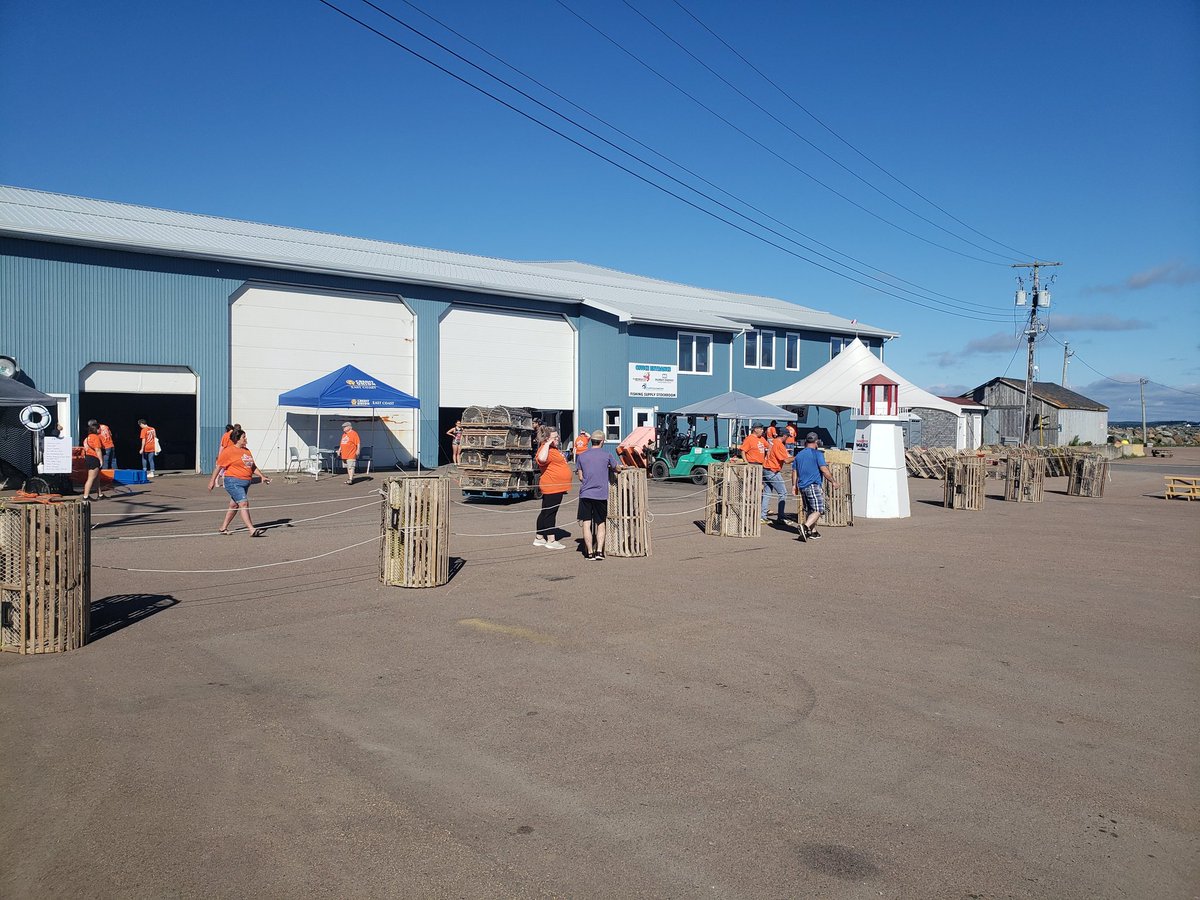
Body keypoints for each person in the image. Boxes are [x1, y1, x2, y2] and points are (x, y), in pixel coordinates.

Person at [208, 427, 270, 537]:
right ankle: (251, 529)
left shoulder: (246, 451)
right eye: (243, 437)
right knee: (244, 503)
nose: (246, 439)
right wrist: (212, 481)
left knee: (234, 505)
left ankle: (223, 528)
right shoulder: (228, 451)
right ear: (237, 439)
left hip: (245, 482)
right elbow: (219, 467)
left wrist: (262, 476)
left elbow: (252, 466)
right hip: (232, 481)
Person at [575, 428, 621, 560]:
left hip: (586, 494)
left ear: (591, 442)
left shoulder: (582, 456)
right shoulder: (607, 455)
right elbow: (616, 468)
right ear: (602, 441)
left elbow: (580, 477)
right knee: (600, 523)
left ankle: (589, 552)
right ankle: (600, 551)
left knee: (586, 523)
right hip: (600, 494)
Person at [793, 431, 838, 542]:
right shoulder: (817, 454)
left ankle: (813, 532)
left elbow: (794, 471)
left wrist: (794, 485)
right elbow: (824, 470)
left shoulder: (799, 455)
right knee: (818, 509)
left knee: (810, 510)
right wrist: (833, 481)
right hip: (812, 485)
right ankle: (805, 526)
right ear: (816, 442)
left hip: (802, 485)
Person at [533, 426, 571, 549]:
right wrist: (548, 443)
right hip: (552, 486)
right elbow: (541, 459)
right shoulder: (544, 448)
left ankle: (539, 537)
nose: (558, 438)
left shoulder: (553, 449)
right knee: (550, 513)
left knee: (546, 511)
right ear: (548, 439)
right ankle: (551, 539)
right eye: (555, 437)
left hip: (557, 486)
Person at [761, 428, 791, 524]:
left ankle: (762, 516)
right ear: (785, 436)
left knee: (767, 493)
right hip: (772, 470)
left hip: (766, 468)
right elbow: (786, 460)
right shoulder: (779, 444)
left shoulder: (773, 442)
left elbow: (784, 456)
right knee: (783, 493)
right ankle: (781, 516)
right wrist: (798, 457)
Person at [81, 422, 106, 500]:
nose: (100, 430)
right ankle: (86, 496)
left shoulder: (87, 438)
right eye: (99, 429)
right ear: (97, 429)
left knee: (96, 478)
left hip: (88, 457)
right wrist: (101, 460)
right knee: (91, 478)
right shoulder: (95, 437)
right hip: (94, 458)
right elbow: (98, 449)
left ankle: (100, 494)